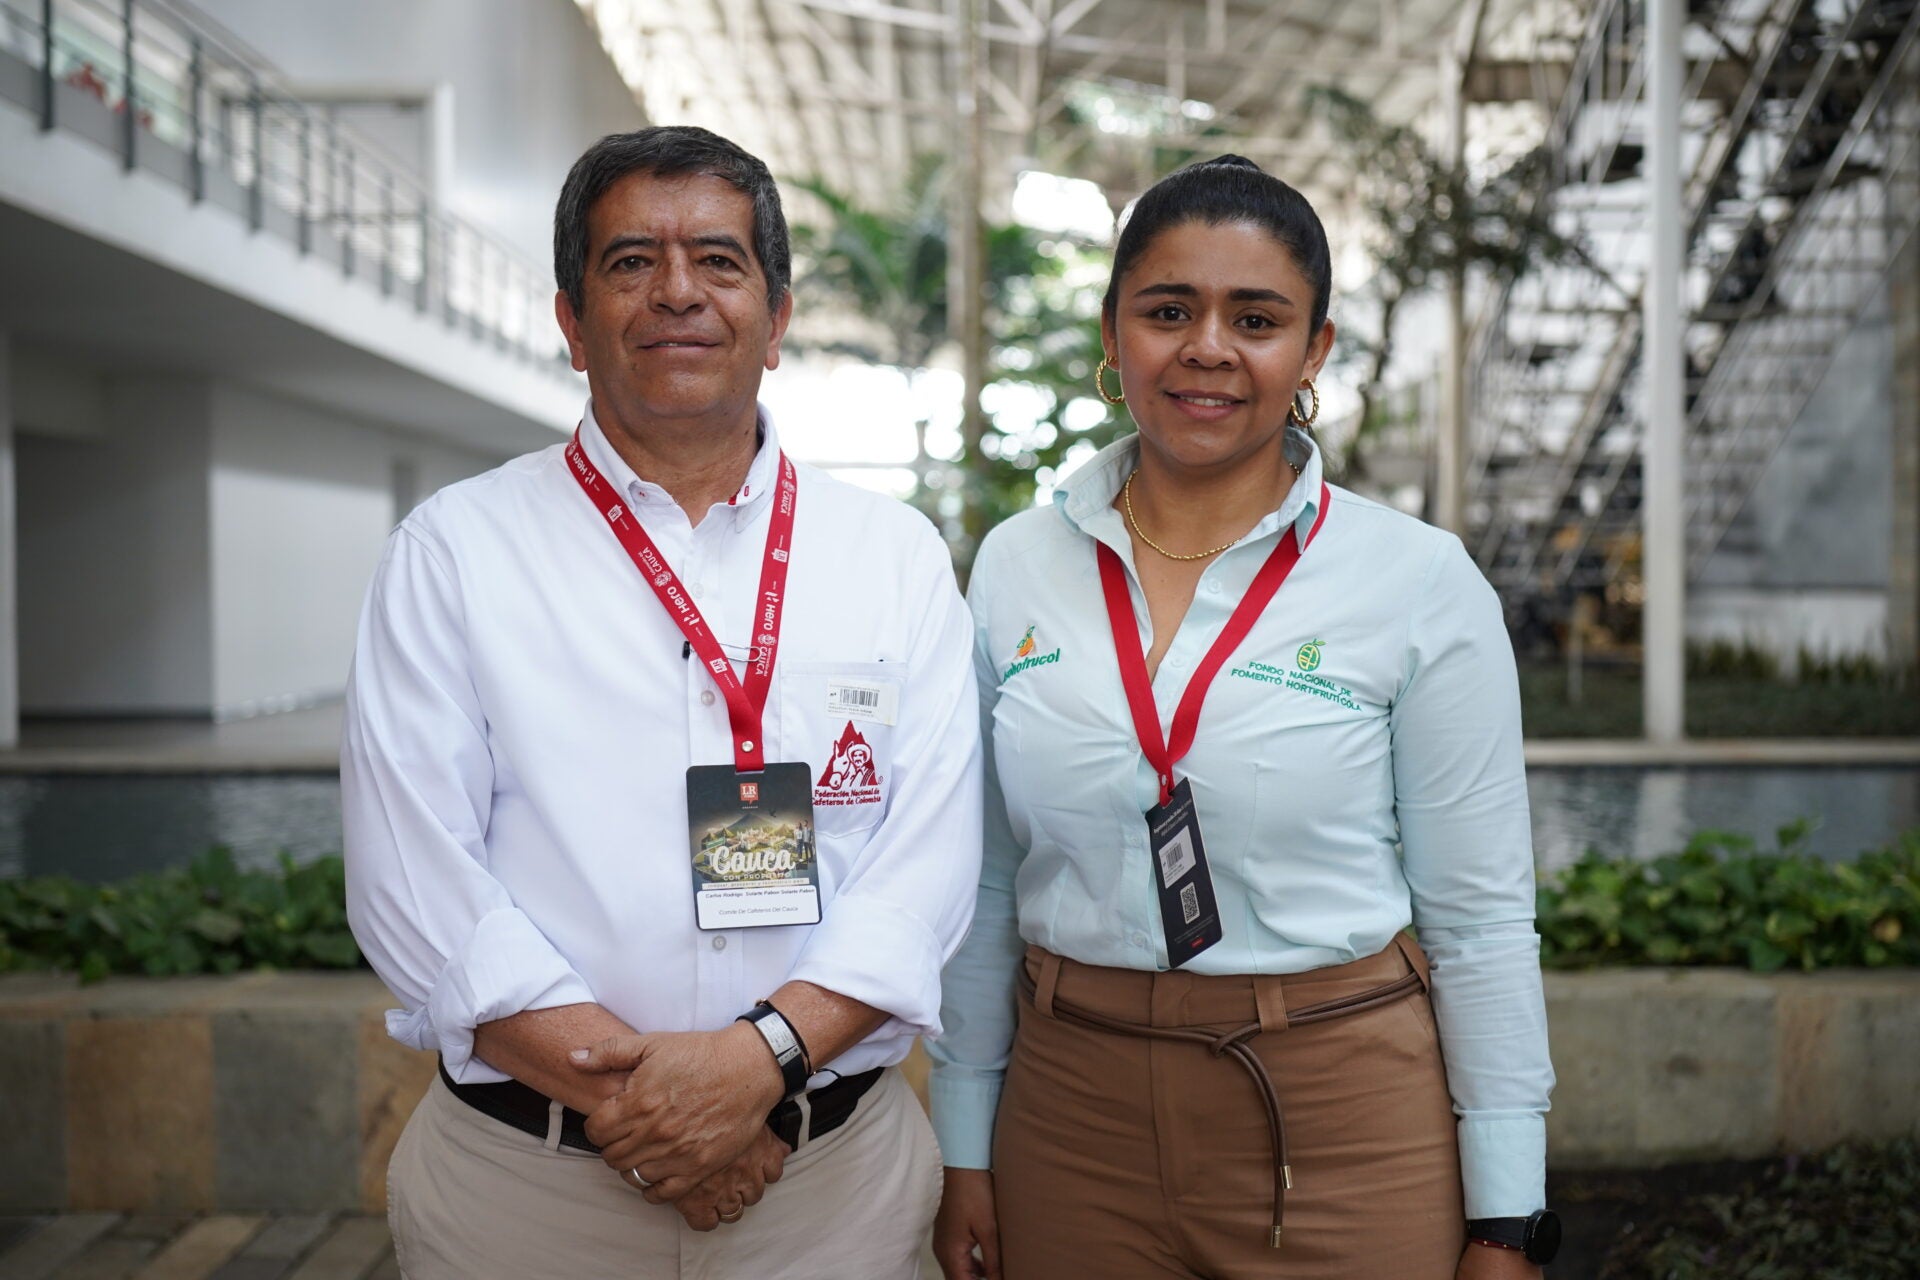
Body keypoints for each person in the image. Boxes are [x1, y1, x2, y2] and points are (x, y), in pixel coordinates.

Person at [343, 125, 981, 1279]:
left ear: (777, 319)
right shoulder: (454, 552)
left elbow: (925, 867)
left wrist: (755, 1067)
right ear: (571, 321)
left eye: (720, 262)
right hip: (529, 1200)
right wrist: (660, 1115)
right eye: (631, 260)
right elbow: (412, 876)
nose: (677, 291)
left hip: (827, 1197)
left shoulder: (892, 557)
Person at [928, 156, 1557, 1280]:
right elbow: (983, 877)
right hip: (1072, 1115)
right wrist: (963, 1142)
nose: (1207, 347)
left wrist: (1507, 1215)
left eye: (1255, 318)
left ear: (1312, 351)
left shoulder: (1414, 578)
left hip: (1341, 1115)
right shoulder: (1017, 564)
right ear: (1113, 334)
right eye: (1168, 311)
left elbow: (1480, 919)